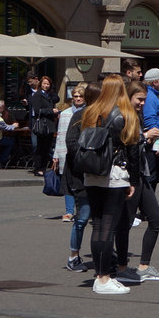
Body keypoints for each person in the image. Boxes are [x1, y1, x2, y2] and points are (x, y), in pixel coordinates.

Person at [80, 74, 140, 294]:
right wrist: (133, 180)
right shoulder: (125, 113)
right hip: (114, 173)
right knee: (108, 226)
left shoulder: (91, 111)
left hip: (92, 172)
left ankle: (99, 275)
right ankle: (104, 278)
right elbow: (133, 149)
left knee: (97, 225)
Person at [115, 83, 159, 283]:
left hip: (141, 174)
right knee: (124, 223)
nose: (142, 103)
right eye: (139, 99)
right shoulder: (123, 116)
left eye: (144, 99)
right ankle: (121, 267)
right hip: (130, 176)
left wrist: (150, 142)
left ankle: (143, 266)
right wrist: (146, 136)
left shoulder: (136, 116)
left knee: (156, 219)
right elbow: (126, 145)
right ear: (128, 97)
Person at [61, 82, 99, 272]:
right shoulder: (79, 116)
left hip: (101, 175)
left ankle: (105, 253)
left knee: (102, 219)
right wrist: (91, 155)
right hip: (80, 175)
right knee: (83, 217)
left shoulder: (105, 117)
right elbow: (71, 143)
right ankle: (73, 256)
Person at [53, 84, 89, 223]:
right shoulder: (66, 113)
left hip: (82, 153)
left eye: (81, 96)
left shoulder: (88, 112)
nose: (78, 99)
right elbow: (60, 135)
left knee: (81, 182)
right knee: (67, 182)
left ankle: (82, 210)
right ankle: (69, 211)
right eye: (75, 96)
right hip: (65, 152)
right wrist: (56, 155)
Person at [30, 75, 60, 176]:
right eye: (44, 84)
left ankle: (43, 167)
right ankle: (37, 168)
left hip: (50, 124)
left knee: (47, 148)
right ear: (40, 84)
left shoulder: (49, 95)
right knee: (40, 147)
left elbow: (57, 98)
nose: (46, 86)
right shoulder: (37, 95)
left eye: (48, 84)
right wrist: (50, 111)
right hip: (42, 124)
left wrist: (52, 91)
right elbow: (37, 110)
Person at [0, 100, 26, 166]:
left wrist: (11, 126)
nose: (4, 110)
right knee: (11, 142)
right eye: (3, 108)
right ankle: (1, 160)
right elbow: (6, 128)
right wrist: (13, 126)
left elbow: (4, 126)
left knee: (8, 140)